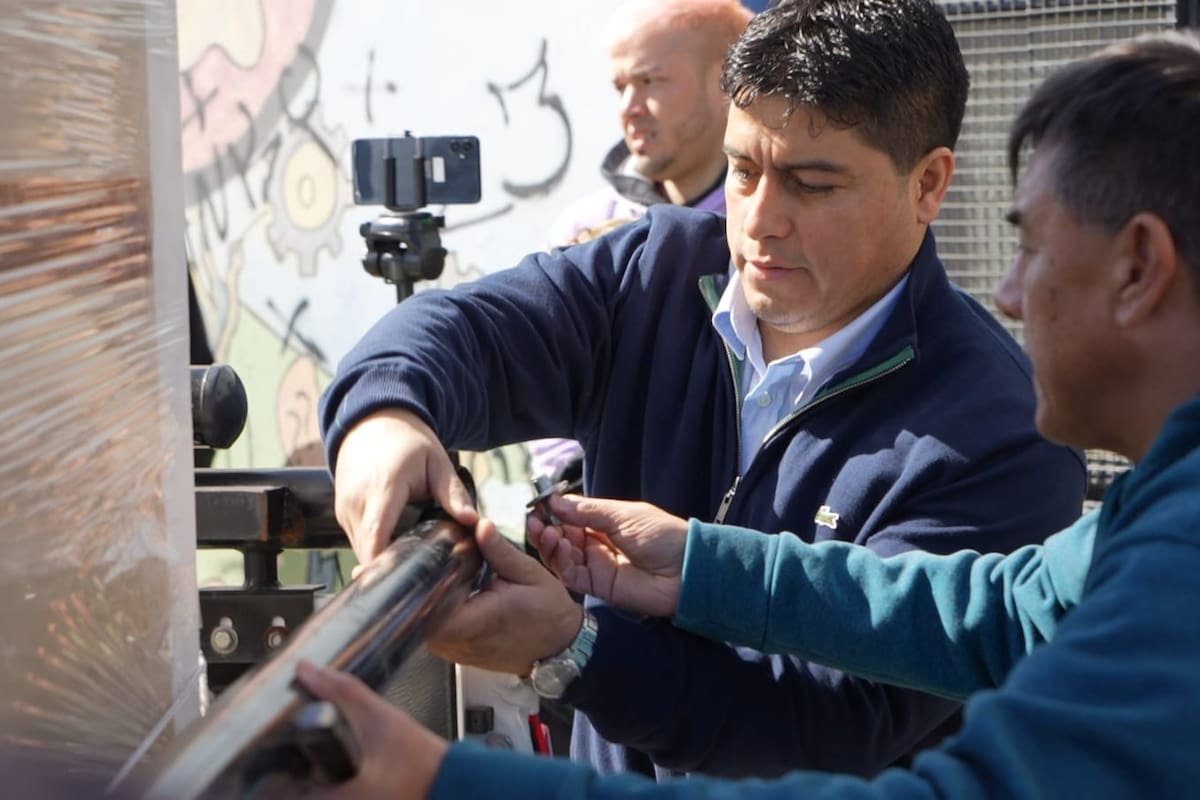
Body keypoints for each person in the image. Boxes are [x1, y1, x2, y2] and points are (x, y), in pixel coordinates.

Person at [301, 28, 1200, 799]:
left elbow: (850, 744)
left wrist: (481, 740)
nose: (760, 222)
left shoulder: (1066, 475)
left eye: (812, 183)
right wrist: (387, 415)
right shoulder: (655, 269)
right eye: (742, 171)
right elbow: (993, 610)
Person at [528, 0, 753, 480]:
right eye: (620, 87)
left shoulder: (769, 226)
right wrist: (566, 488)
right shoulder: (585, 227)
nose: (628, 109)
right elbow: (550, 374)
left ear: (726, 80)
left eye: (650, 81)